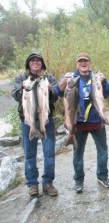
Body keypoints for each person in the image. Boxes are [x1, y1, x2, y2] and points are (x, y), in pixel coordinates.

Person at [55, 53, 109, 193]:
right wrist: (64, 82)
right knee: (77, 153)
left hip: (96, 121)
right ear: (77, 64)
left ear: (90, 63)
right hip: (78, 122)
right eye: (80, 62)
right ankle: (79, 180)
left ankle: (102, 176)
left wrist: (104, 81)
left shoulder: (96, 78)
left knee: (102, 150)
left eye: (85, 61)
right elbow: (57, 91)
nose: (83, 64)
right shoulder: (70, 77)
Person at [11, 52, 58, 196]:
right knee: (30, 154)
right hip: (27, 122)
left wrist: (50, 89)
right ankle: (32, 184)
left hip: (46, 121)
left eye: (38, 61)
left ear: (42, 63)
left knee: (49, 153)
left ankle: (48, 183)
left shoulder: (48, 78)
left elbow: (56, 96)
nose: (36, 63)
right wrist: (23, 89)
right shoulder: (21, 78)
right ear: (28, 64)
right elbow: (15, 94)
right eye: (32, 61)